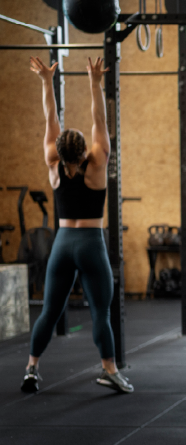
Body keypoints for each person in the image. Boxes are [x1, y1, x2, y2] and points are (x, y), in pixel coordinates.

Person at [22, 56, 133, 394]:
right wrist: (95, 83)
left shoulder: (53, 163)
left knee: (49, 312)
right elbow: (100, 118)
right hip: (90, 243)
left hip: (63, 243)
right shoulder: (97, 162)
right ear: (85, 150)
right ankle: (109, 371)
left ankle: (31, 368)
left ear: (60, 150)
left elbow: (50, 117)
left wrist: (46, 81)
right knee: (101, 311)